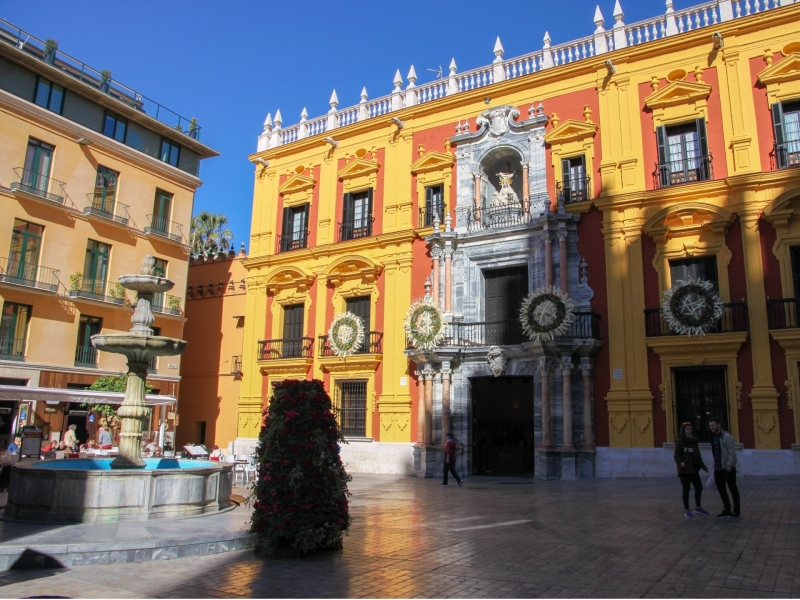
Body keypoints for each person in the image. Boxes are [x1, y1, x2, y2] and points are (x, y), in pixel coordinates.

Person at [674, 422, 709, 518]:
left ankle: (698, 507)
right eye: (687, 429)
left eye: (690, 429)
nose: (689, 431)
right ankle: (687, 509)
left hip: (694, 468)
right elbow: (677, 456)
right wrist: (681, 463)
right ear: (683, 430)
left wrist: (704, 467)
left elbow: (697, 455)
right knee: (686, 489)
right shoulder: (680, 441)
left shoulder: (694, 440)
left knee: (699, 487)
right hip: (684, 470)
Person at [709, 416, 740, 519]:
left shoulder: (727, 437)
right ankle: (727, 509)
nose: (711, 427)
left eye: (713, 425)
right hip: (718, 468)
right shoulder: (713, 437)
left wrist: (728, 466)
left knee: (733, 489)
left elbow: (732, 453)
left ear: (719, 425)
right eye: (710, 426)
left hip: (728, 468)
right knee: (722, 490)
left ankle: (736, 511)